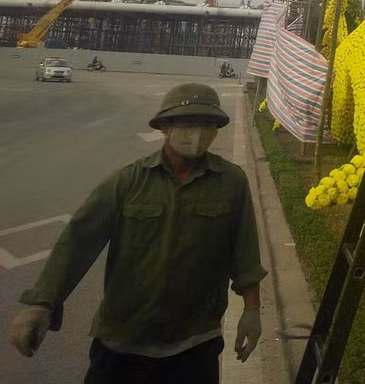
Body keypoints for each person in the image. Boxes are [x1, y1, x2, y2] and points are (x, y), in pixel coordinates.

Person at [8, 82, 267, 383]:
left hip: (195, 341)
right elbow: (78, 241)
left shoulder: (232, 182)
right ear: (165, 127)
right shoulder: (127, 181)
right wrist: (42, 304)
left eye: (207, 124)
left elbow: (244, 251)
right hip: (122, 340)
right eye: (187, 123)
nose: (197, 132)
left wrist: (253, 310)